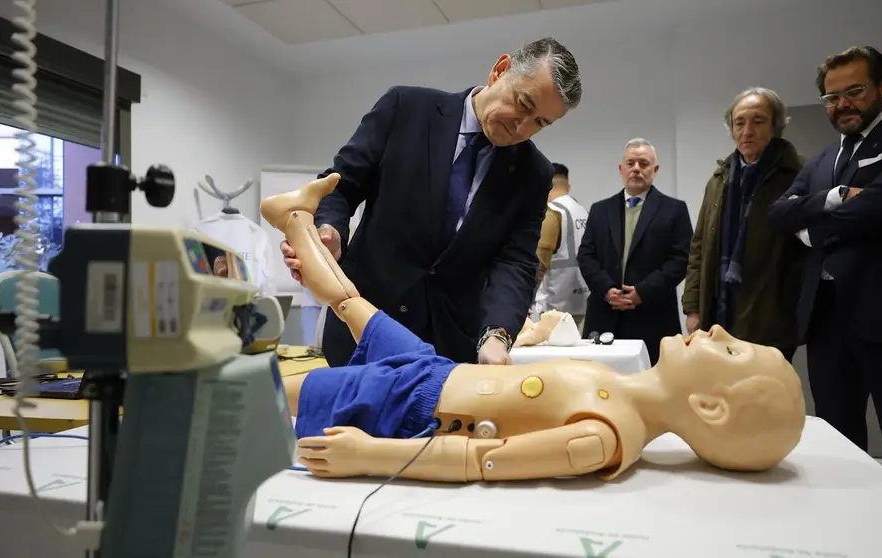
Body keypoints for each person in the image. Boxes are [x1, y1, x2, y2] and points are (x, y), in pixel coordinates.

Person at [262, 173, 806, 482]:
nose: (719, 333)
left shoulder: (604, 435)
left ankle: (208, 396)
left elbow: (479, 461)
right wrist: (532, 334)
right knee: (352, 302)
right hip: (437, 369)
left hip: (415, 405)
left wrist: (370, 456)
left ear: (710, 407)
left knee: (278, 390)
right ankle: (293, 217)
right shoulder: (620, 390)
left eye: (731, 353)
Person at [280, 38, 583, 366]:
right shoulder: (406, 109)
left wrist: (496, 335)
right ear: (500, 70)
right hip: (362, 325)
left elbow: (515, 263)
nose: (522, 127)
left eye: (540, 123)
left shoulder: (533, 174)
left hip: (449, 346)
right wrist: (330, 233)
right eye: (523, 103)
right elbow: (340, 186)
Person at [768, 46, 882, 513]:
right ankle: (849, 529)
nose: (842, 105)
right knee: (839, 444)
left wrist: (810, 228)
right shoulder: (821, 162)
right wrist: (833, 198)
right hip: (828, 319)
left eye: (854, 91)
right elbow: (776, 215)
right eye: (831, 98)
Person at [681, 87, 804, 363]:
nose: (747, 130)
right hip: (718, 312)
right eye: (739, 122)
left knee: (763, 396)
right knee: (721, 396)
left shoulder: (797, 175)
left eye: (758, 121)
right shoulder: (719, 179)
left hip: (771, 316)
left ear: (775, 126)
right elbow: (698, 247)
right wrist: (693, 308)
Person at [577, 139, 693, 362]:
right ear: (621, 169)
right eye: (630, 163)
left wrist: (643, 292)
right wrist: (606, 289)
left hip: (652, 315)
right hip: (604, 315)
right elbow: (586, 255)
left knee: (653, 386)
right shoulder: (600, 210)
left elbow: (681, 260)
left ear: (655, 170)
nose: (636, 169)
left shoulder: (674, 210)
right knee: (599, 385)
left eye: (643, 163)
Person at [530, 163, 590, 328]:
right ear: (568, 186)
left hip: (554, 308)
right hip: (582, 303)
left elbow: (539, 265)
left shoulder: (552, 213)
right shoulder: (583, 211)